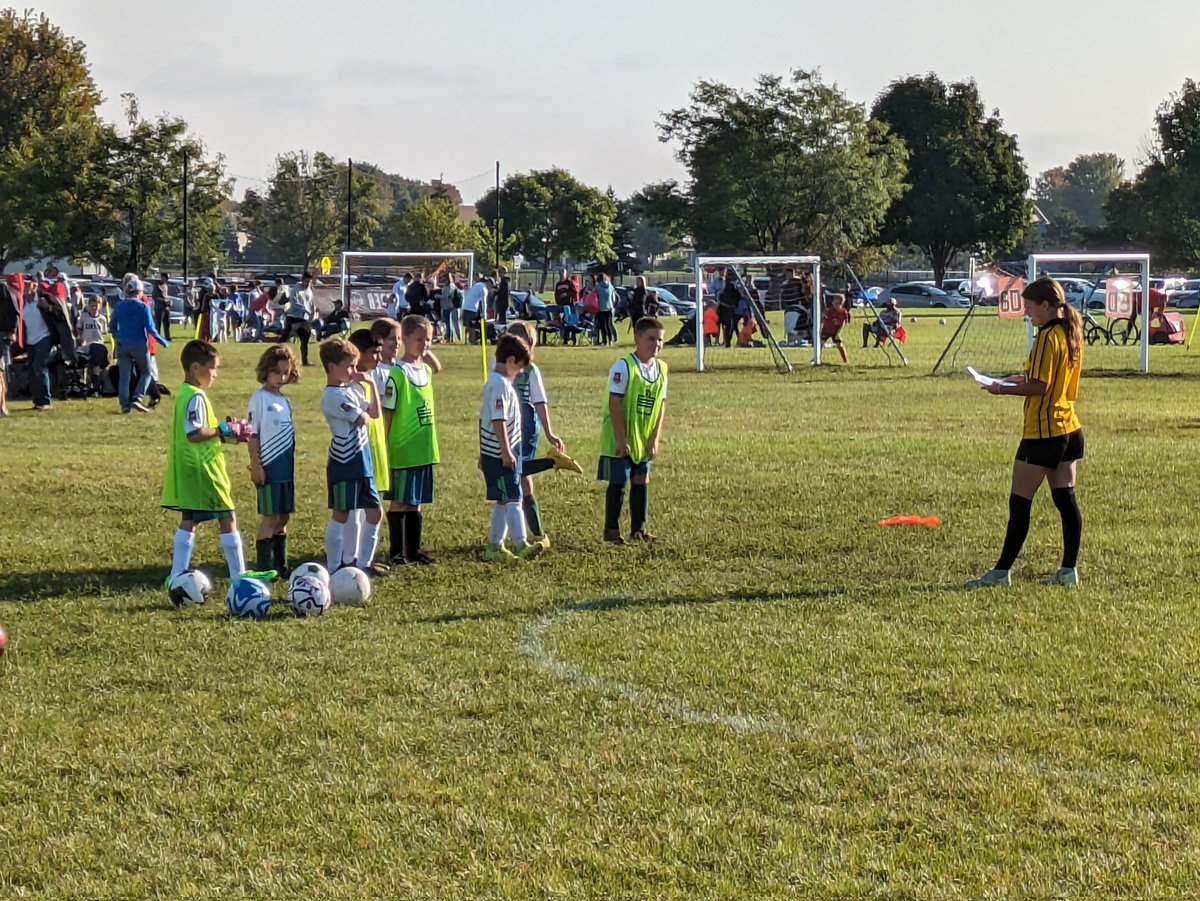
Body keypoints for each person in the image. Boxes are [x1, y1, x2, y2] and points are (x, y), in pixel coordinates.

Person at [966, 276, 1085, 589]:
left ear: (1045, 305)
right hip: (1069, 427)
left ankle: (1000, 573)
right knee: (1065, 500)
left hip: (1044, 431)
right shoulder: (1070, 330)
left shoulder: (1047, 335)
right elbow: (1050, 378)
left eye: (1030, 307)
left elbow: (1041, 386)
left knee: (1020, 503)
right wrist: (1017, 379)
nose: (1027, 313)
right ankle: (1068, 571)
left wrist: (1001, 389)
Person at [161, 340, 276, 587]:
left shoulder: (184, 393)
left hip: (189, 466)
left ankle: (177, 574)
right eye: (212, 368)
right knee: (227, 515)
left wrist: (226, 435)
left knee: (190, 518)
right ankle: (238, 575)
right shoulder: (196, 397)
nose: (215, 374)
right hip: (204, 468)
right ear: (195, 368)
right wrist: (224, 429)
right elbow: (194, 433)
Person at [495, 322, 583, 548]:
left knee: (519, 476)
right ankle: (525, 536)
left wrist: (549, 432)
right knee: (517, 478)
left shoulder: (531, 371)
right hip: (504, 426)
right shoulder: (497, 368)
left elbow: (539, 402)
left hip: (525, 427)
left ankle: (532, 535)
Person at [599, 317, 668, 543]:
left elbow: (661, 404)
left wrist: (655, 437)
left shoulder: (662, 369)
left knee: (641, 478)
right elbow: (615, 402)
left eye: (660, 340)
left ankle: (639, 530)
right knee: (619, 480)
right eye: (651, 339)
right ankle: (611, 531)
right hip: (621, 436)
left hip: (643, 436)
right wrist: (621, 438)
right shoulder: (624, 366)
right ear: (637, 338)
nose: (656, 344)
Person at [382, 315, 442, 566]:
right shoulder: (398, 373)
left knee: (416, 501)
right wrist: (384, 447)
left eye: (428, 340)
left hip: (423, 448)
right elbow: (388, 412)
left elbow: (437, 366)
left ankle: (414, 549)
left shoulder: (425, 370)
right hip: (403, 449)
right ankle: (397, 552)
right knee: (400, 501)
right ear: (404, 339)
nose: (424, 344)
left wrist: (425, 350)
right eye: (419, 339)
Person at [320, 338, 383, 573]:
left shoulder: (352, 389)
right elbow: (362, 419)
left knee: (374, 512)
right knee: (342, 513)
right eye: (349, 367)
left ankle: (363, 563)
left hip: (363, 461)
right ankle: (335, 566)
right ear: (331, 367)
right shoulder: (332, 396)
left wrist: (370, 384)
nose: (354, 372)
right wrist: (362, 411)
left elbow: (374, 413)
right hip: (344, 461)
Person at [480, 333, 543, 561]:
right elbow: (498, 420)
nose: (520, 372)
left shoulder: (500, 383)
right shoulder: (499, 386)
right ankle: (521, 543)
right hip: (501, 455)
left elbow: (483, 419)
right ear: (509, 361)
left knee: (503, 499)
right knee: (514, 497)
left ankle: (494, 546)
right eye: (519, 367)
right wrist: (506, 452)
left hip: (500, 452)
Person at [246, 345, 299, 574]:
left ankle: (281, 566)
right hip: (269, 467)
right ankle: (264, 568)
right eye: (277, 372)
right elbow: (251, 434)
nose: (281, 377)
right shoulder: (259, 398)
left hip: (285, 469)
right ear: (266, 371)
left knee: (283, 517)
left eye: (286, 372)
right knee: (270, 517)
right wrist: (256, 464)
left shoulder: (284, 400)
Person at [347, 329, 391, 576]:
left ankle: (364, 560)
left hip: (375, 446)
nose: (378, 358)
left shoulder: (371, 377)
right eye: (374, 353)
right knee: (357, 508)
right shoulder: (349, 383)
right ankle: (351, 560)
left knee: (371, 505)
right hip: (358, 450)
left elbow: (376, 413)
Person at [111, 276, 169, 414]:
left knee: (124, 377)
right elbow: (150, 328)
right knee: (146, 372)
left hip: (123, 345)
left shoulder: (119, 306)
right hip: (140, 345)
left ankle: (124, 406)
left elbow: (112, 326)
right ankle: (137, 397)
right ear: (139, 292)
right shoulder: (143, 307)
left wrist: (117, 338)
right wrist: (162, 341)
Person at [21, 279, 55, 411]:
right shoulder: (22, 302)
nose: (26, 288)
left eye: (29, 285)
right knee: (31, 369)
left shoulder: (43, 300)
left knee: (39, 368)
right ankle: (37, 401)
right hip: (30, 340)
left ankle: (46, 400)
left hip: (43, 337)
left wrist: (48, 307)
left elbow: (57, 312)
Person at [76, 295, 110, 395]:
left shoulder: (102, 319)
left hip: (98, 345)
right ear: (89, 306)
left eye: (96, 306)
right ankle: (94, 385)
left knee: (99, 360)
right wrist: (81, 340)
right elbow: (79, 331)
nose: (94, 308)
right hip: (86, 346)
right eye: (92, 305)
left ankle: (96, 386)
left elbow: (104, 334)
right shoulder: (83, 317)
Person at [283, 273, 315, 365]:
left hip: (303, 319)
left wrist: (312, 314)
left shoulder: (309, 291)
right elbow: (294, 303)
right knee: (284, 339)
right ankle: (275, 357)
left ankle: (305, 361)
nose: (308, 283)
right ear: (303, 280)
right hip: (293, 318)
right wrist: (305, 310)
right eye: (307, 281)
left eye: (310, 282)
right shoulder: (295, 290)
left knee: (305, 339)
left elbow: (312, 303)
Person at [821, 295, 851, 363]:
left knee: (839, 345)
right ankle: (816, 358)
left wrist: (839, 330)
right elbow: (824, 318)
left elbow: (844, 322)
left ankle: (845, 360)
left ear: (841, 304)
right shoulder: (830, 311)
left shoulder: (843, 312)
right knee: (820, 344)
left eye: (837, 304)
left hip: (835, 332)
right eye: (834, 303)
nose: (834, 305)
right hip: (826, 330)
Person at [594, 272, 618, 346]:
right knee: (608, 325)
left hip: (601, 308)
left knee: (602, 326)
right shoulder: (610, 286)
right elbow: (614, 298)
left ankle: (604, 341)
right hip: (609, 307)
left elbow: (594, 296)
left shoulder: (597, 287)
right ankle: (610, 340)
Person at [440, 274, 463, 343]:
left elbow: (446, 296)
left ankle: (450, 338)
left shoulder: (450, 287)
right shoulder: (452, 286)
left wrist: (437, 296)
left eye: (445, 280)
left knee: (449, 323)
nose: (443, 281)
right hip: (448, 306)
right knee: (450, 323)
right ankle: (452, 337)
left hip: (449, 306)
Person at [462, 275, 486, 339]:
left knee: (468, 325)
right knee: (472, 326)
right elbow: (484, 303)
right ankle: (472, 339)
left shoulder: (474, 285)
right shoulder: (484, 288)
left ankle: (469, 338)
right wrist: (484, 315)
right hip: (472, 309)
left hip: (465, 307)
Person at [152, 273, 172, 341]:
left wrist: (169, 301)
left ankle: (167, 336)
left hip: (166, 307)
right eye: (165, 278)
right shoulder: (157, 286)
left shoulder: (165, 286)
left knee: (167, 322)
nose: (166, 280)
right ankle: (157, 337)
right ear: (162, 277)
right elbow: (154, 297)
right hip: (159, 307)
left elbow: (166, 296)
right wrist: (164, 301)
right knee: (158, 323)